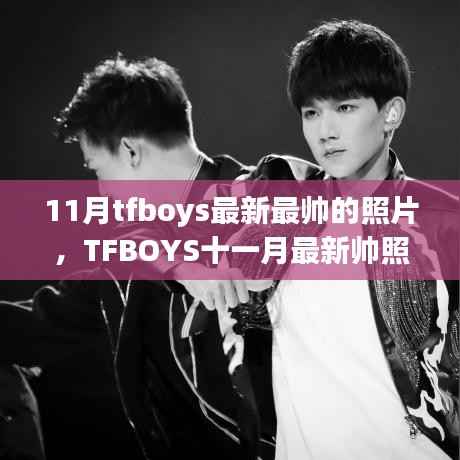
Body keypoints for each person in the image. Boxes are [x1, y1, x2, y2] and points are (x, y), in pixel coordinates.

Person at [0, 55, 275, 460]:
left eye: (98, 170)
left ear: (129, 150)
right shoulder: (127, 261)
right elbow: (31, 325)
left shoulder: (271, 194)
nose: (101, 192)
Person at [222, 19, 458, 460]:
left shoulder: (444, 225)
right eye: (311, 113)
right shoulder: (282, 207)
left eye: (345, 108)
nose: (324, 131)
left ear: (391, 114)